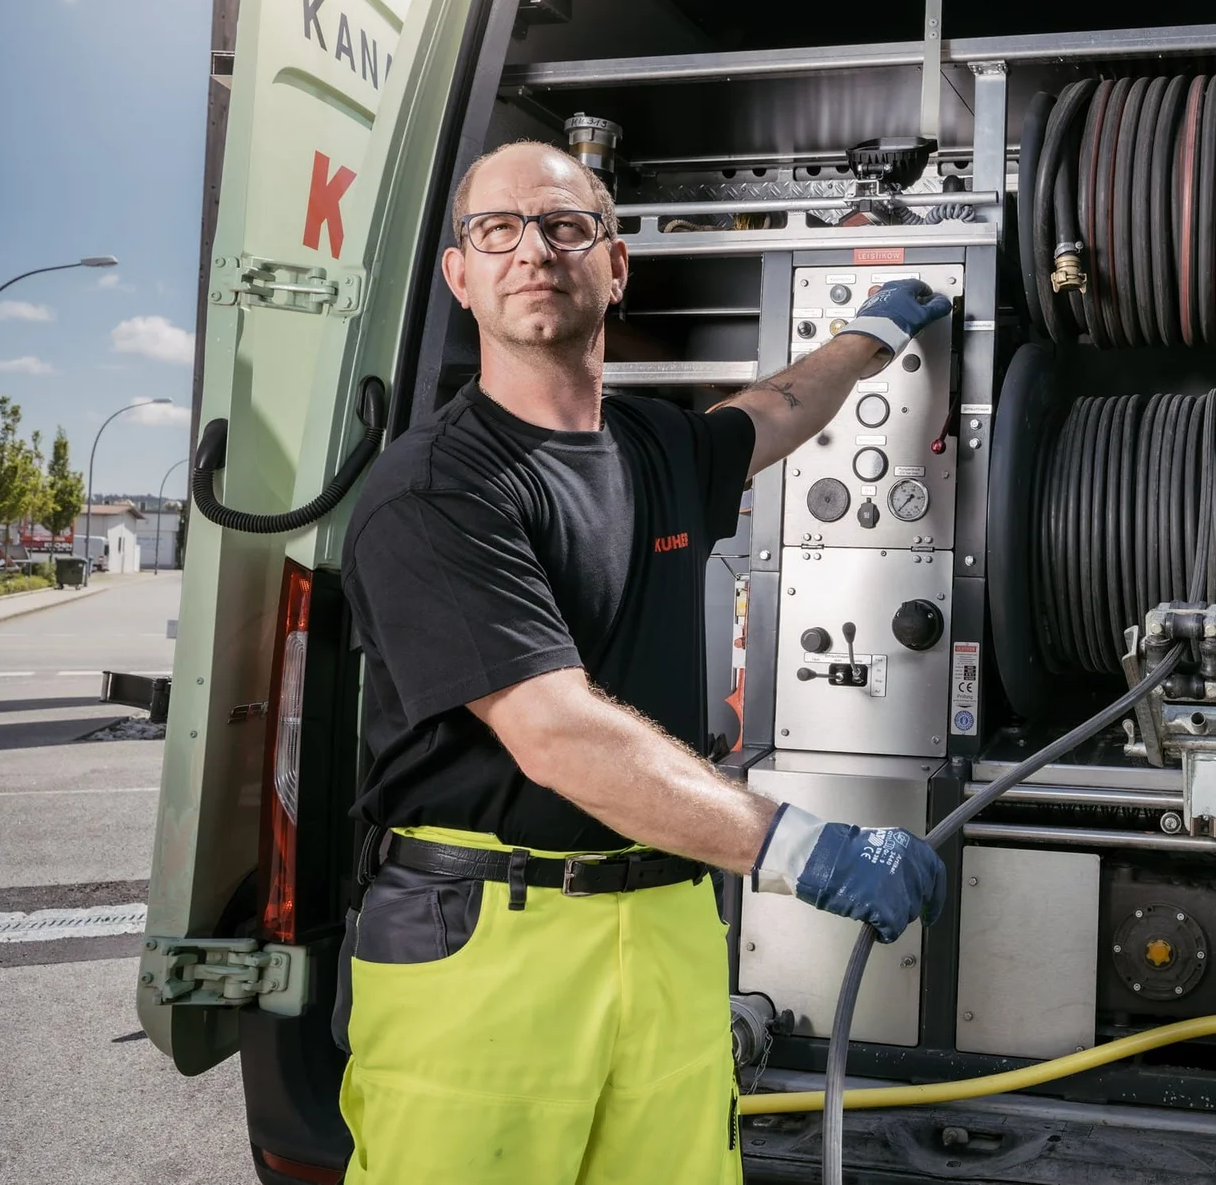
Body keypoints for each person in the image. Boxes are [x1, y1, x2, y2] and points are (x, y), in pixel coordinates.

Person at [334, 140, 951, 1184]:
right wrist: (810, 850)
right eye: (499, 230)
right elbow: (554, 729)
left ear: (615, 266)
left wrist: (872, 333)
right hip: (487, 945)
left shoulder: (652, 446)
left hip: (665, 931)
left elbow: (778, 410)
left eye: (566, 226)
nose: (534, 249)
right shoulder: (434, 489)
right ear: (461, 276)